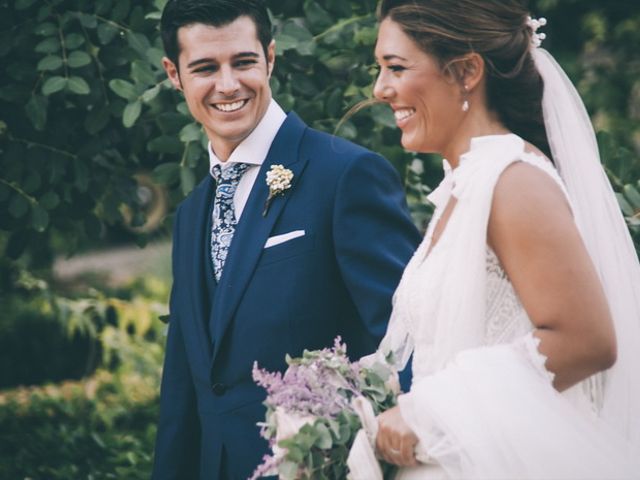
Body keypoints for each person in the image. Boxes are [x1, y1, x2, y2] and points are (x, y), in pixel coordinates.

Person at [348, 0, 640, 478]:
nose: (381, 89)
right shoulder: (466, 185)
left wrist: (430, 413)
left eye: (396, 67)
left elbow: (587, 341)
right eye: (380, 69)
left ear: (465, 71)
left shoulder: (514, 182)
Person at [151, 1, 421, 479]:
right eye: (205, 68)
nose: (228, 84)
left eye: (244, 62)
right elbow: (184, 389)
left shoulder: (346, 176)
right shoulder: (192, 213)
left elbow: (411, 339)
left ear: (270, 58)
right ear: (175, 74)